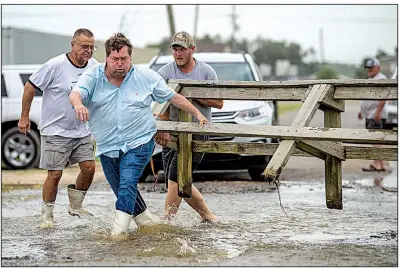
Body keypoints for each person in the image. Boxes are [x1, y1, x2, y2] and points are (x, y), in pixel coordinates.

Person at [69, 33, 209, 236]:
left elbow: (173, 97)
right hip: (108, 144)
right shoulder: (93, 76)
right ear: (107, 58)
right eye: (115, 59)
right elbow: (76, 93)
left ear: (130, 58)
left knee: (127, 184)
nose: (120, 64)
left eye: (124, 59)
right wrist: (78, 104)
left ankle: (118, 233)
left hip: (140, 141)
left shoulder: (145, 76)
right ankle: (148, 224)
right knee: (121, 189)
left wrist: (196, 113)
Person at [17, 28, 98, 228]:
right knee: (55, 175)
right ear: (73, 45)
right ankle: (47, 216)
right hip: (55, 130)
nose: (88, 51)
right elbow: (30, 86)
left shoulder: (94, 66)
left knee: (89, 168)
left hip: (82, 130)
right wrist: (24, 116)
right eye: (84, 46)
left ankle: (76, 206)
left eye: (91, 47)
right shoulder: (55, 65)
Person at [155, 31, 223, 223]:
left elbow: (219, 103)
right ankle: (208, 216)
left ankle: (167, 222)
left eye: (182, 49)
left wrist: (189, 96)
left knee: (177, 178)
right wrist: (163, 126)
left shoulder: (206, 71)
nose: (178, 54)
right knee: (175, 181)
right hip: (172, 133)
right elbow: (157, 102)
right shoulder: (165, 72)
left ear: (192, 49)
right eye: (175, 49)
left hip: (197, 132)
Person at [358, 57, 388, 172]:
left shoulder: (381, 79)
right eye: (368, 68)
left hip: (375, 114)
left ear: (378, 68)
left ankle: (378, 164)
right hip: (370, 114)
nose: (369, 70)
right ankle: (380, 164)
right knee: (375, 140)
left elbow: (384, 98)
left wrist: (378, 112)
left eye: (371, 67)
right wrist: (362, 111)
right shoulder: (372, 78)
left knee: (376, 140)